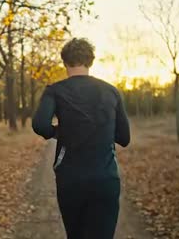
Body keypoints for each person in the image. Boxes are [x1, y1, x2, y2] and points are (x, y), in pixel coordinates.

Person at [32, 38, 130, 239]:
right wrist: (99, 130)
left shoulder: (55, 91)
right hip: (105, 180)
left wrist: (59, 132)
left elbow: (40, 124)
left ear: (65, 62)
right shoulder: (111, 91)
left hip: (70, 180)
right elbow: (124, 137)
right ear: (90, 61)